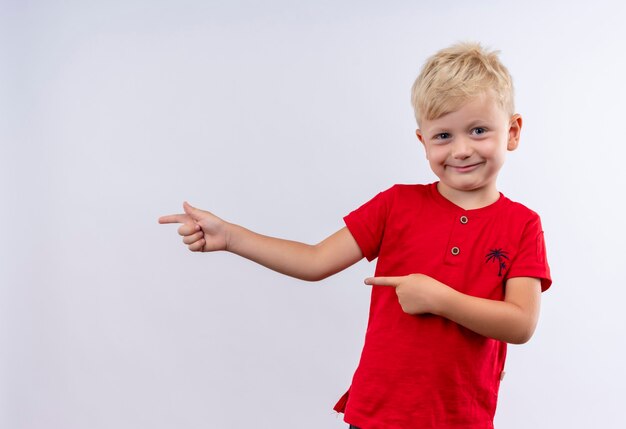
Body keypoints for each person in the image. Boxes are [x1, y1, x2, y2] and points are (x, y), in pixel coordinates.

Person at [159, 42, 551, 429]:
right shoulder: (396, 204)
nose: (461, 150)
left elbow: (520, 324)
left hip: (460, 419)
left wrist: (439, 299)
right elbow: (315, 261)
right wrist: (231, 237)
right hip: (376, 415)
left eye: (478, 130)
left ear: (513, 132)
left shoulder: (522, 224)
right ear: (423, 142)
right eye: (443, 136)